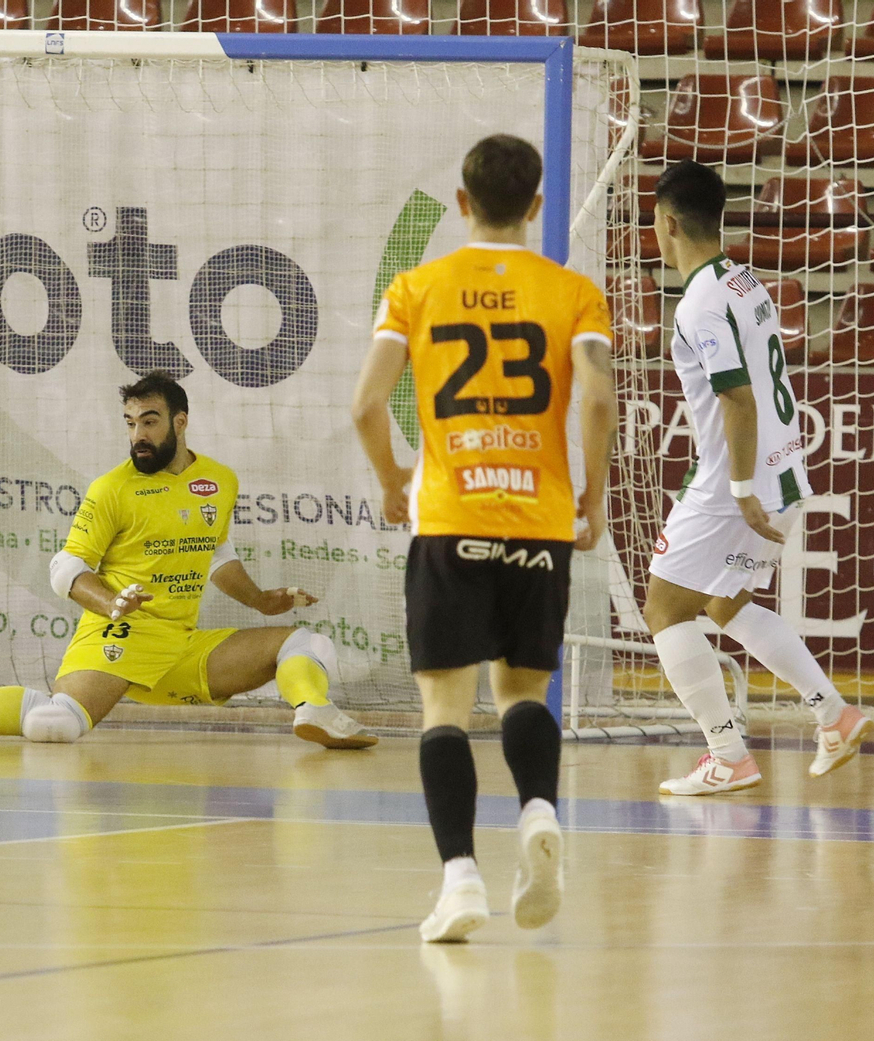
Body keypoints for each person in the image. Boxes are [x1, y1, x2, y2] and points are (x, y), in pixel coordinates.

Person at [352, 134, 617, 942]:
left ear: (464, 203)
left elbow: (366, 406)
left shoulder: (415, 288)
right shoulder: (574, 293)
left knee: (444, 707)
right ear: (535, 205)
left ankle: (460, 880)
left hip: (450, 516)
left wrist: (392, 479)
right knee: (522, 694)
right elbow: (598, 398)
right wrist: (593, 497)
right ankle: (538, 810)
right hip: (538, 520)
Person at [0, 370, 377, 750]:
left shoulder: (219, 480)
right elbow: (66, 568)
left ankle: (316, 713)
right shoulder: (112, 489)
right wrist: (112, 603)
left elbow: (216, 552)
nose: (138, 435)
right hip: (119, 633)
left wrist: (260, 600)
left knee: (308, 644)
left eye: (149, 422)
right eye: (130, 423)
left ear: (180, 422)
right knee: (53, 725)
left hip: (181, 644)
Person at [642, 160, 870, 795]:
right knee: (725, 603)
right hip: (785, 468)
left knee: (664, 608)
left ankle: (727, 756)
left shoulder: (698, 304)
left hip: (733, 483)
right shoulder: (747, 282)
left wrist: (741, 491)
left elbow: (737, 399)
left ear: (667, 224)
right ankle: (834, 714)